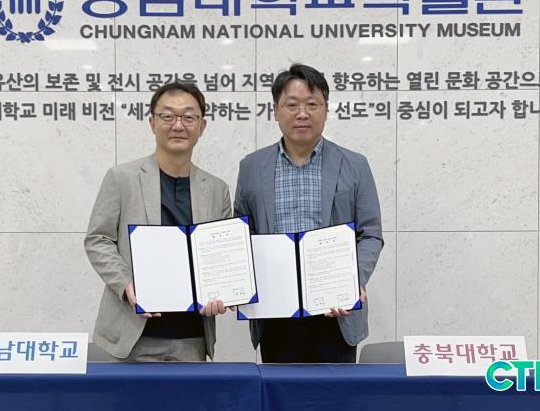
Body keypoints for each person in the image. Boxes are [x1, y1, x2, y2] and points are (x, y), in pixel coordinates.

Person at [234, 63, 384, 363]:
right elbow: (241, 233)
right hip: (276, 312)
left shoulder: (355, 164)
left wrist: (351, 280)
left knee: (335, 390)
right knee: (279, 390)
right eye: (292, 105)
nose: (302, 114)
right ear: (275, 111)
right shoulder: (251, 166)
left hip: (336, 312)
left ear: (326, 110)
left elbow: (370, 233)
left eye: (312, 105)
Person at [85, 82, 231, 361]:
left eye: (189, 117)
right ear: (152, 123)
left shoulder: (216, 189)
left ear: (202, 126)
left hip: (192, 338)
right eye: (168, 116)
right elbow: (98, 239)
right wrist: (125, 284)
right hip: (131, 335)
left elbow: (221, 255)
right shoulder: (122, 178)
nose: (178, 125)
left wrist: (222, 290)